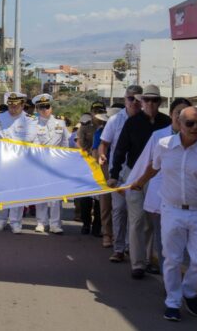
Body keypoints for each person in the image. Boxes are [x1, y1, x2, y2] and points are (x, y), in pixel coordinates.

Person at [130, 107, 197, 322]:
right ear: (179, 124)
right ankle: (172, 301)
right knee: (172, 259)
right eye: (190, 123)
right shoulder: (164, 145)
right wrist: (140, 182)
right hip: (171, 210)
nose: (196, 127)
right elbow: (155, 166)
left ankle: (189, 292)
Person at [109, 85, 171, 277]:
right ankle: (137, 264)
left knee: (151, 222)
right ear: (141, 101)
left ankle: (147, 259)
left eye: (154, 100)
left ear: (159, 102)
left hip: (157, 176)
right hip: (134, 175)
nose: (150, 103)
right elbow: (120, 149)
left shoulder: (166, 123)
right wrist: (114, 174)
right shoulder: (132, 123)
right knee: (136, 220)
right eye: (147, 100)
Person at [126, 98, 191, 277]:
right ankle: (169, 283)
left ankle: (173, 280)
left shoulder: (195, 139)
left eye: (186, 113)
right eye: (178, 112)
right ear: (171, 114)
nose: (182, 117)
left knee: (180, 244)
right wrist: (132, 183)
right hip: (161, 198)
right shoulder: (159, 137)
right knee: (164, 242)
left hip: (187, 200)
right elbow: (145, 163)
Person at [99, 85, 143, 250]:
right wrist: (103, 154)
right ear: (125, 100)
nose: (133, 102)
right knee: (118, 210)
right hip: (118, 173)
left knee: (137, 214)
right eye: (130, 98)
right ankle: (118, 248)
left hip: (140, 174)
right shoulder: (115, 120)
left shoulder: (146, 120)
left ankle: (132, 247)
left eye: (137, 99)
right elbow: (104, 143)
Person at [0, 92, 38, 234]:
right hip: (1, 160)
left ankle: (16, 222)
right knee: (1, 191)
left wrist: (7, 142)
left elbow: (29, 138)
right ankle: (0, 220)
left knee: (17, 192)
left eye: (16, 105)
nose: (13, 108)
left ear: (22, 105)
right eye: (10, 105)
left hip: (19, 162)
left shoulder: (30, 120)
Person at [32, 94, 70, 235]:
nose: (44, 110)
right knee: (41, 195)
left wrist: (64, 161)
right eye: (41, 107)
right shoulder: (33, 124)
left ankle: (55, 224)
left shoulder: (60, 123)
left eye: (47, 106)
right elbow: (33, 143)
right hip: (40, 163)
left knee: (56, 197)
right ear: (37, 109)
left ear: (51, 108)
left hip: (56, 164)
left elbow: (65, 143)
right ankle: (41, 222)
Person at [78, 103, 106, 238]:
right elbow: (81, 144)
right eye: (95, 111)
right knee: (85, 198)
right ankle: (86, 224)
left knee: (100, 199)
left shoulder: (107, 126)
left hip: (102, 165)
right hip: (87, 165)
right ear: (91, 112)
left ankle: (97, 226)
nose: (98, 113)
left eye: (100, 110)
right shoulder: (85, 127)